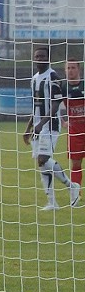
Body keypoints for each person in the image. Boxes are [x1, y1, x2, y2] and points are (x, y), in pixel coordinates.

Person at [23, 47, 80, 210]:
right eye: (36, 56)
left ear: (48, 59)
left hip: (51, 126)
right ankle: (52, 202)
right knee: (42, 164)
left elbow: (56, 104)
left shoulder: (53, 77)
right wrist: (29, 128)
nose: (39, 58)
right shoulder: (34, 79)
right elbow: (35, 106)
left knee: (43, 159)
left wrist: (42, 124)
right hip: (38, 127)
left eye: (42, 56)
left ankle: (72, 186)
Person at [60, 59, 85, 193]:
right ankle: (77, 192)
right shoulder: (63, 87)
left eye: (73, 68)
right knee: (76, 163)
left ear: (78, 69)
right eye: (68, 68)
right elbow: (54, 105)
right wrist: (62, 121)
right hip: (74, 131)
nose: (70, 71)